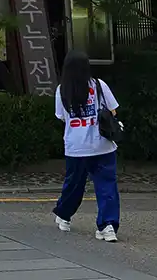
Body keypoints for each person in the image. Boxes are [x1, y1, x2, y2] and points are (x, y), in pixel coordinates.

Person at [52, 51, 122, 243]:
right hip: (102, 146)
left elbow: (60, 116)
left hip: (76, 147)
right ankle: (107, 226)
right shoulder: (99, 85)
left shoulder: (62, 90)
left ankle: (64, 216)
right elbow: (114, 111)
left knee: (74, 185)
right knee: (106, 186)